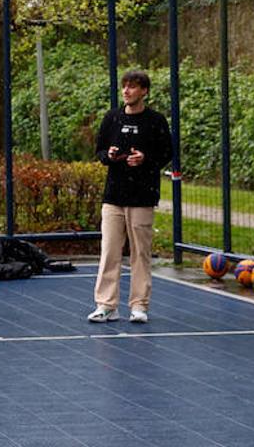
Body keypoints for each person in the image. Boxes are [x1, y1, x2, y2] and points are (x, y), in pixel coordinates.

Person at [87, 69, 172, 324]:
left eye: (133, 87)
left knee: (140, 253)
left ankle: (139, 306)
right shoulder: (111, 118)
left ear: (144, 91)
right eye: (124, 86)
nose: (126, 91)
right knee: (110, 251)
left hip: (143, 197)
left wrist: (145, 160)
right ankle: (106, 305)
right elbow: (100, 151)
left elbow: (167, 153)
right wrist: (109, 155)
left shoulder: (156, 121)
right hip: (113, 196)